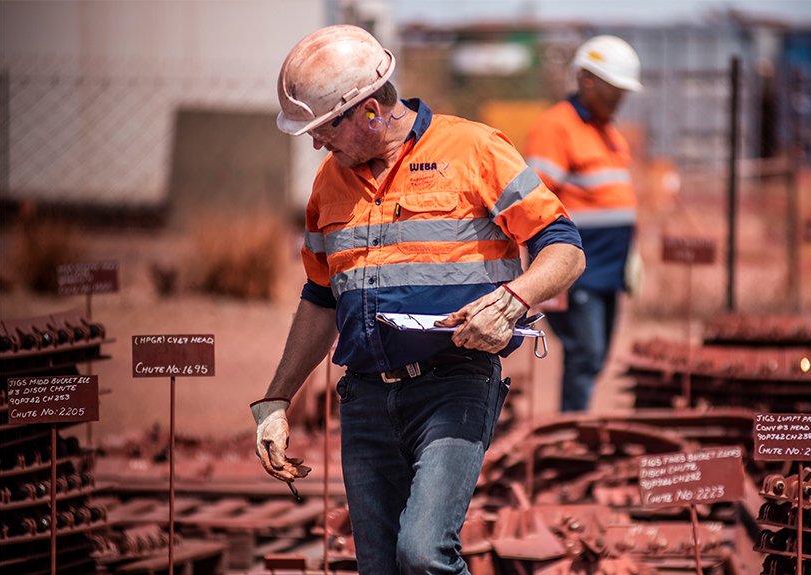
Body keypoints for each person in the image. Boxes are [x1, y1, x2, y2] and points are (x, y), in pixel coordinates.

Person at [249, 25, 584, 574]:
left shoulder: (475, 149)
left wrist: (511, 301)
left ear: (371, 111)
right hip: (365, 402)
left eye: (324, 126)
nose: (315, 142)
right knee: (380, 568)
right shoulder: (328, 185)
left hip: (453, 387)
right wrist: (276, 400)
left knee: (424, 555)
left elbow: (564, 247)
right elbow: (319, 298)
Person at [524, 35, 642, 413]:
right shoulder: (556, 127)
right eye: (615, 90)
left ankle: (573, 427)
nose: (621, 99)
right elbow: (533, 204)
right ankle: (569, 433)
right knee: (585, 352)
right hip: (578, 269)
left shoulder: (609, 132)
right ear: (587, 81)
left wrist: (632, 253)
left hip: (610, 267)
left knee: (598, 355)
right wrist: (546, 270)